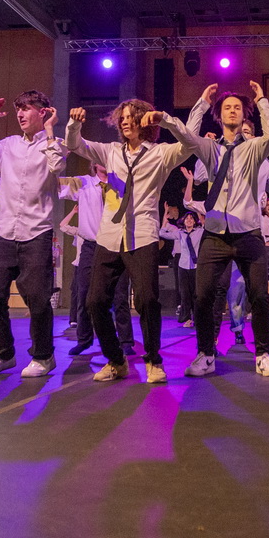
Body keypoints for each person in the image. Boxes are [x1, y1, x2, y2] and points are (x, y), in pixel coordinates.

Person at [65, 99, 212, 383]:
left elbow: (190, 143)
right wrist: (74, 124)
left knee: (147, 300)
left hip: (142, 235)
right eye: (122, 117)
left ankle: (153, 360)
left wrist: (165, 119)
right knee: (95, 301)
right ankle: (116, 360)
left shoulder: (160, 154)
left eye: (131, 116)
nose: (124, 121)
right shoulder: (110, 152)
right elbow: (75, 145)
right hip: (109, 235)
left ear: (143, 121)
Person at [180, 82, 269, 377]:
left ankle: (263, 354)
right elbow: (187, 137)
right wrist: (202, 103)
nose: (232, 111)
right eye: (227, 107)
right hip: (215, 233)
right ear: (219, 114)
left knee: (259, 296)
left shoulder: (252, 147)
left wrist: (262, 100)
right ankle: (206, 354)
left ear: (243, 114)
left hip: (248, 233)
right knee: (203, 296)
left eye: (237, 107)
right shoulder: (211, 148)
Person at [0, 92, 65, 378]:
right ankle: (3, 354)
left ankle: (43, 356)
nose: (20, 114)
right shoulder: (7, 145)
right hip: (5, 232)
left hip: (37, 232)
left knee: (38, 298)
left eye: (26, 109)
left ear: (42, 112)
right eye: (18, 109)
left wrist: (49, 130)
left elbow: (58, 166)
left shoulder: (54, 144)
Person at [58, 163, 136, 356]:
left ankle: (125, 341)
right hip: (91, 246)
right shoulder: (83, 183)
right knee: (84, 291)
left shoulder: (121, 183)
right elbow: (57, 184)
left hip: (116, 244)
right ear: (93, 163)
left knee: (120, 295)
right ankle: (84, 339)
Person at [159, 206, 203, 327]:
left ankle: (198, 318)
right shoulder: (180, 233)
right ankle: (187, 318)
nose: (189, 220)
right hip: (183, 266)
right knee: (184, 293)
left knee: (196, 293)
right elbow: (162, 233)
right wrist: (165, 219)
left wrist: (198, 212)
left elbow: (205, 226)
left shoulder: (199, 232)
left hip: (196, 266)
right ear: (183, 221)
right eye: (187, 218)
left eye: (191, 218)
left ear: (194, 221)